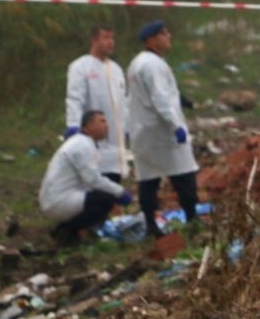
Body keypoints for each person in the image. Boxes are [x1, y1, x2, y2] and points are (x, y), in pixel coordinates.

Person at [126, 20, 200, 238]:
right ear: (151, 39)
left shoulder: (138, 63)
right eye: (163, 33)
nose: (169, 36)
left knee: (148, 178)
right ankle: (192, 219)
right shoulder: (153, 65)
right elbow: (160, 98)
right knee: (184, 173)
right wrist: (176, 125)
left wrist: (181, 99)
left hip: (142, 131)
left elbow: (147, 94)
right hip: (161, 131)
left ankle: (151, 225)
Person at [39, 110, 133, 246]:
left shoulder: (82, 143)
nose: (106, 126)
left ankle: (67, 229)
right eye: (102, 121)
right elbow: (93, 180)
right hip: (58, 201)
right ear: (88, 127)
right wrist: (120, 192)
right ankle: (68, 231)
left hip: (57, 198)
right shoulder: (82, 145)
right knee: (105, 201)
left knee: (101, 196)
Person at [64, 25, 130, 181]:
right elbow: (75, 98)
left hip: (115, 140)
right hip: (92, 139)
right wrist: (73, 124)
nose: (111, 42)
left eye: (112, 38)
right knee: (95, 183)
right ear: (94, 40)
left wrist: (127, 128)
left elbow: (123, 103)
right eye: (106, 37)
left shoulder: (116, 69)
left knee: (113, 182)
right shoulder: (80, 67)